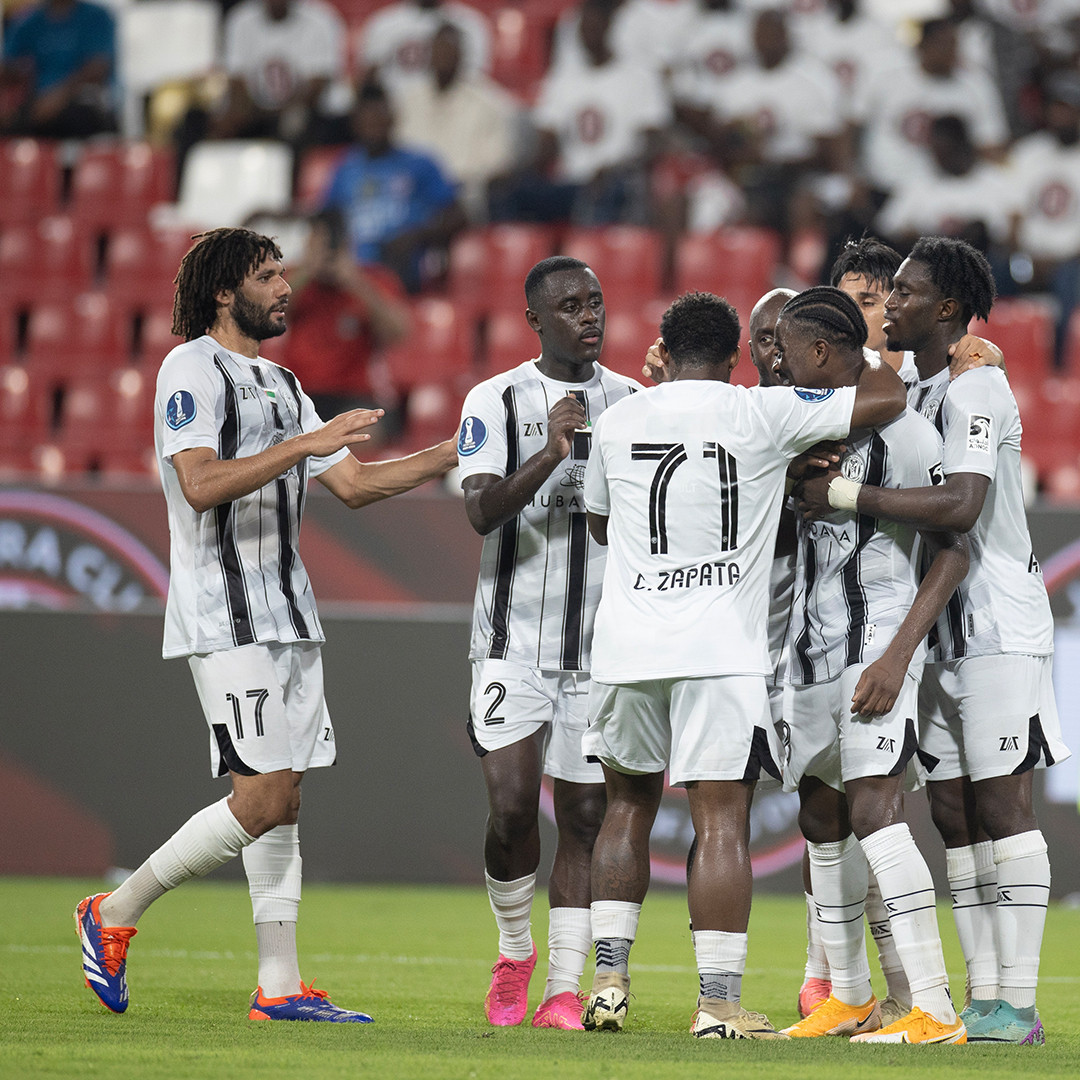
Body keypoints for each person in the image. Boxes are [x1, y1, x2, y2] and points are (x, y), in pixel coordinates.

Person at [75, 227, 457, 1021]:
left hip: (289, 613)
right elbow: (200, 483)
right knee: (259, 799)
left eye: (284, 273)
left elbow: (356, 485)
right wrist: (305, 444)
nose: (286, 288)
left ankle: (279, 985)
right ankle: (112, 912)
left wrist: (457, 451)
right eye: (268, 276)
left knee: (285, 800)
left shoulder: (283, 383)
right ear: (224, 291)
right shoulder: (189, 368)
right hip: (226, 613)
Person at [580, 289, 907, 1039]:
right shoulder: (764, 412)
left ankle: (609, 981)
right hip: (721, 651)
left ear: (664, 350)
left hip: (627, 643)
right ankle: (718, 1004)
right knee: (721, 820)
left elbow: (599, 523)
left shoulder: (619, 417)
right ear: (736, 357)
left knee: (625, 808)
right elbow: (886, 396)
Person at [798, 235, 1072, 1045]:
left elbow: (960, 505)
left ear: (948, 308)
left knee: (1004, 806)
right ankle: (980, 996)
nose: (892, 302)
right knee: (954, 812)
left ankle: (1015, 1002)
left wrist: (842, 493)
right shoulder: (921, 386)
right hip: (936, 628)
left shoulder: (978, 385)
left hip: (996, 621)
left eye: (907, 293)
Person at [772, 287, 969, 1046]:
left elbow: (954, 549)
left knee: (874, 809)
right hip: (809, 648)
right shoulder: (806, 428)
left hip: (875, 642)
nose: (780, 368)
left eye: (789, 354)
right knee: (821, 815)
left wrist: (897, 656)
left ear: (822, 353)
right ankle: (850, 997)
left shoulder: (909, 435)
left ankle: (935, 1009)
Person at [456, 256, 639, 1030]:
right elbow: (480, 512)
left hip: (599, 650)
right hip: (512, 639)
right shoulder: (495, 400)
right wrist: (551, 452)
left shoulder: (632, 403)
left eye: (595, 301)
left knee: (587, 817)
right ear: (535, 319)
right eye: (570, 305)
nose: (589, 315)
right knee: (510, 811)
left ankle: (564, 987)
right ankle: (514, 951)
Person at [321, 79, 466, 293]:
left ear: (392, 119)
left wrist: (417, 235)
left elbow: (458, 215)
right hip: (353, 273)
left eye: (379, 119)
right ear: (355, 124)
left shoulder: (420, 164)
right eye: (367, 121)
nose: (374, 127)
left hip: (401, 268)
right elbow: (327, 219)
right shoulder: (344, 169)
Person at [280, 208, 411, 441]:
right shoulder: (290, 280)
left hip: (354, 396)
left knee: (362, 434)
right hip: (300, 394)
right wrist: (308, 270)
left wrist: (355, 282)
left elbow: (398, 333)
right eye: (317, 244)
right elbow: (269, 315)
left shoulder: (373, 279)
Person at [394, 22, 521, 222]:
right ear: (429, 54)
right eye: (439, 49)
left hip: (464, 201)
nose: (444, 55)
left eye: (450, 49)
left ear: (462, 55)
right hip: (410, 199)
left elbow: (497, 167)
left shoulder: (489, 104)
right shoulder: (407, 102)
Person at [0, 0, 116, 138]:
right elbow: (8, 65)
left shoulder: (97, 17)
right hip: (36, 104)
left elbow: (98, 68)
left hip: (82, 102)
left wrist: (58, 98)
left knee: (76, 118)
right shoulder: (28, 20)